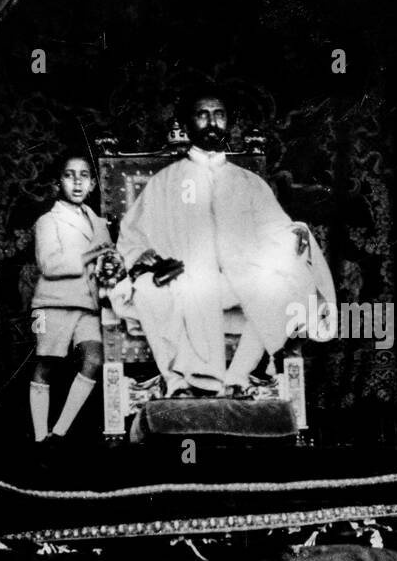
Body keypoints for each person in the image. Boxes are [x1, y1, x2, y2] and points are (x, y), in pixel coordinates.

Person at [111, 89, 334, 396]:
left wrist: (292, 236)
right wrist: (143, 254)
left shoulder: (248, 182)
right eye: (202, 115)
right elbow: (132, 235)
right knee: (147, 290)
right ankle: (178, 383)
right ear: (188, 125)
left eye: (219, 115)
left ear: (228, 124)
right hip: (184, 280)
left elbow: (276, 229)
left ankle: (239, 376)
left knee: (285, 283)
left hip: (237, 279)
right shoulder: (164, 182)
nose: (212, 122)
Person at [29, 152, 113, 448]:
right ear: (58, 183)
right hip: (52, 304)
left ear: (92, 184)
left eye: (84, 176)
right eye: (69, 175)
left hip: (89, 305)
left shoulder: (98, 223)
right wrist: (92, 254)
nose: (77, 182)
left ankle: (58, 434)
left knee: (94, 359)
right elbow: (50, 265)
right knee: (47, 365)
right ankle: (40, 437)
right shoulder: (47, 221)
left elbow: (107, 261)